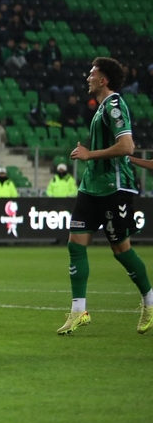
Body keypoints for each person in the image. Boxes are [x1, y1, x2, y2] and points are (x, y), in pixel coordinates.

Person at [61, 57, 153, 335]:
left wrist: (90, 154)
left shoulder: (114, 106)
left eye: (92, 73)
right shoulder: (101, 108)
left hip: (114, 188)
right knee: (76, 244)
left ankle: (149, 301)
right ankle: (79, 311)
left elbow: (126, 145)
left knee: (121, 250)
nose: (87, 77)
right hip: (91, 186)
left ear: (103, 80)